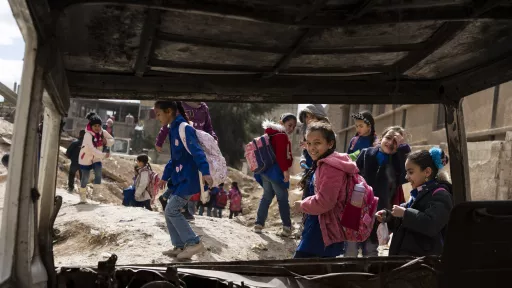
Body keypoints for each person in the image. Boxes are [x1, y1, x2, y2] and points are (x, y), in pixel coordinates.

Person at [155, 101, 213, 260]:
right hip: (180, 179)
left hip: (190, 179)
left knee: (172, 210)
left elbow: (198, 152)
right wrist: (165, 177)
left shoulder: (184, 129)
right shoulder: (173, 129)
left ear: (168, 111)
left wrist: (206, 172)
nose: (157, 118)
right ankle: (179, 245)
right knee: (169, 210)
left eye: (158, 114)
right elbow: (174, 159)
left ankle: (193, 242)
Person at [345, 126, 410, 257]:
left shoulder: (398, 162)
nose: (390, 143)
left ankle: (369, 276)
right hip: (357, 205)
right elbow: (352, 175)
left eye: (396, 142)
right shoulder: (366, 153)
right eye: (388, 138)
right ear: (381, 138)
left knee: (371, 249)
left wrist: (402, 150)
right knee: (350, 247)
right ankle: (349, 274)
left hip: (379, 209)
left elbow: (403, 178)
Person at [376, 148, 452, 256]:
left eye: (411, 172)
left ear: (427, 172)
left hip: (424, 263)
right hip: (409, 261)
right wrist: (388, 217)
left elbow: (431, 224)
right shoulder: (418, 194)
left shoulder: (440, 195)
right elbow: (408, 221)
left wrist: (405, 213)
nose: (407, 177)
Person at [292, 122, 350, 258]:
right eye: (309, 143)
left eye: (317, 143)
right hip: (319, 226)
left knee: (300, 270)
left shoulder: (331, 168)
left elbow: (326, 201)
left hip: (323, 231)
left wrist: (302, 205)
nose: (311, 148)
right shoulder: (322, 163)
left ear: (330, 144)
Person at [156, 102, 217, 219]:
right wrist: (160, 141)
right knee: (184, 182)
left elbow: (209, 128)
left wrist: (212, 140)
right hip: (186, 151)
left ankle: (173, 204)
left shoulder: (203, 108)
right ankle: (181, 212)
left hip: (195, 150)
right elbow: (166, 125)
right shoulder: (180, 111)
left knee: (187, 183)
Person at [254, 113, 297, 237]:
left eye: (294, 127)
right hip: (276, 172)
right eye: (289, 125)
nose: (291, 128)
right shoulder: (282, 136)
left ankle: (258, 224)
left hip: (264, 171)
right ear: (281, 123)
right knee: (283, 199)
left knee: (267, 196)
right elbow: (281, 156)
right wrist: (285, 171)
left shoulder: (269, 134)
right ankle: (287, 227)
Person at [78, 112, 114, 204]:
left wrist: (106, 142)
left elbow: (112, 140)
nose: (97, 128)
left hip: (97, 158)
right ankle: (82, 196)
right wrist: (103, 155)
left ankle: (96, 194)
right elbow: (92, 149)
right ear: (91, 126)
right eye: (95, 126)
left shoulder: (102, 132)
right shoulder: (87, 135)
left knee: (98, 174)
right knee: (85, 178)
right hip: (86, 158)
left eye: (99, 126)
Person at [298, 104, 329, 171]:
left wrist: (309, 146)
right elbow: (304, 152)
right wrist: (302, 160)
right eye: (306, 116)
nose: (308, 119)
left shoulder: (329, 135)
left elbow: (330, 155)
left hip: (322, 170)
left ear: (320, 118)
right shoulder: (307, 135)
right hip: (308, 171)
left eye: (311, 117)